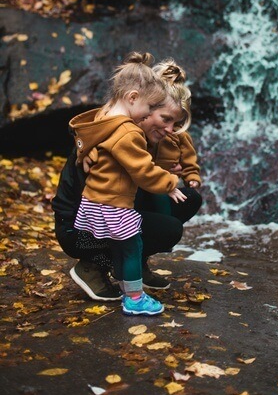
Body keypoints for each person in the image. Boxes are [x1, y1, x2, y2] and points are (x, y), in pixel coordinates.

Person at [51, 57, 202, 302]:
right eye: (165, 119)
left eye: (176, 123)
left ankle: (134, 264)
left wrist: (171, 170)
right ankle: (94, 264)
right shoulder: (117, 135)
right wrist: (85, 149)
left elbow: (148, 172)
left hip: (109, 210)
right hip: (78, 226)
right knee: (167, 228)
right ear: (142, 108)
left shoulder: (139, 135)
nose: (170, 129)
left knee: (189, 198)